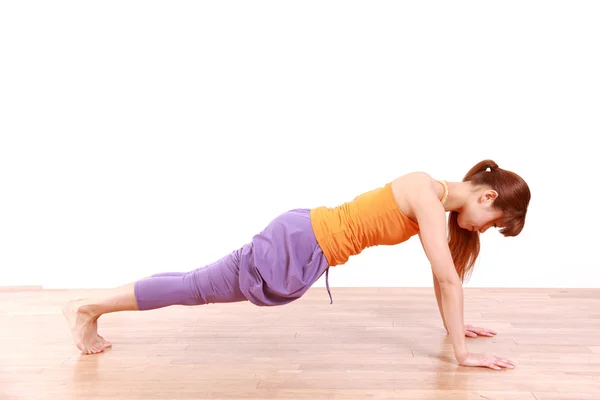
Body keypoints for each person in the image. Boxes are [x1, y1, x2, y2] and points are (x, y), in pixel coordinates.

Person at [62, 159, 530, 370]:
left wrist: (456, 328)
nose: (483, 230)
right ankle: (87, 309)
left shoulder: (431, 195)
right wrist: (463, 356)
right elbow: (447, 275)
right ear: (488, 197)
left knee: (194, 286)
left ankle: (91, 307)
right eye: (493, 223)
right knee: (194, 287)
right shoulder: (426, 192)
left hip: (302, 239)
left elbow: (440, 272)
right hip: (297, 243)